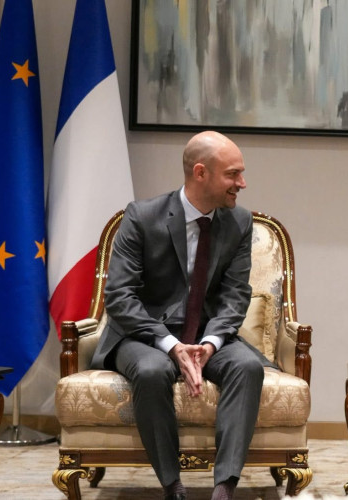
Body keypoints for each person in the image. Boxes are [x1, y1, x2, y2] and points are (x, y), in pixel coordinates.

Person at [90, 131, 267, 500]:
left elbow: (236, 295)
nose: (242, 183)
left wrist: (210, 343)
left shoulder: (238, 222)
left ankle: (224, 488)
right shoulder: (142, 217)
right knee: (152, 371)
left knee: (247, 366)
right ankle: (173, 486)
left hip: (206, 333)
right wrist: (171, 345)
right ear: (200, 173)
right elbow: (120, 296)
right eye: (233, 174)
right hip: (143, 334)